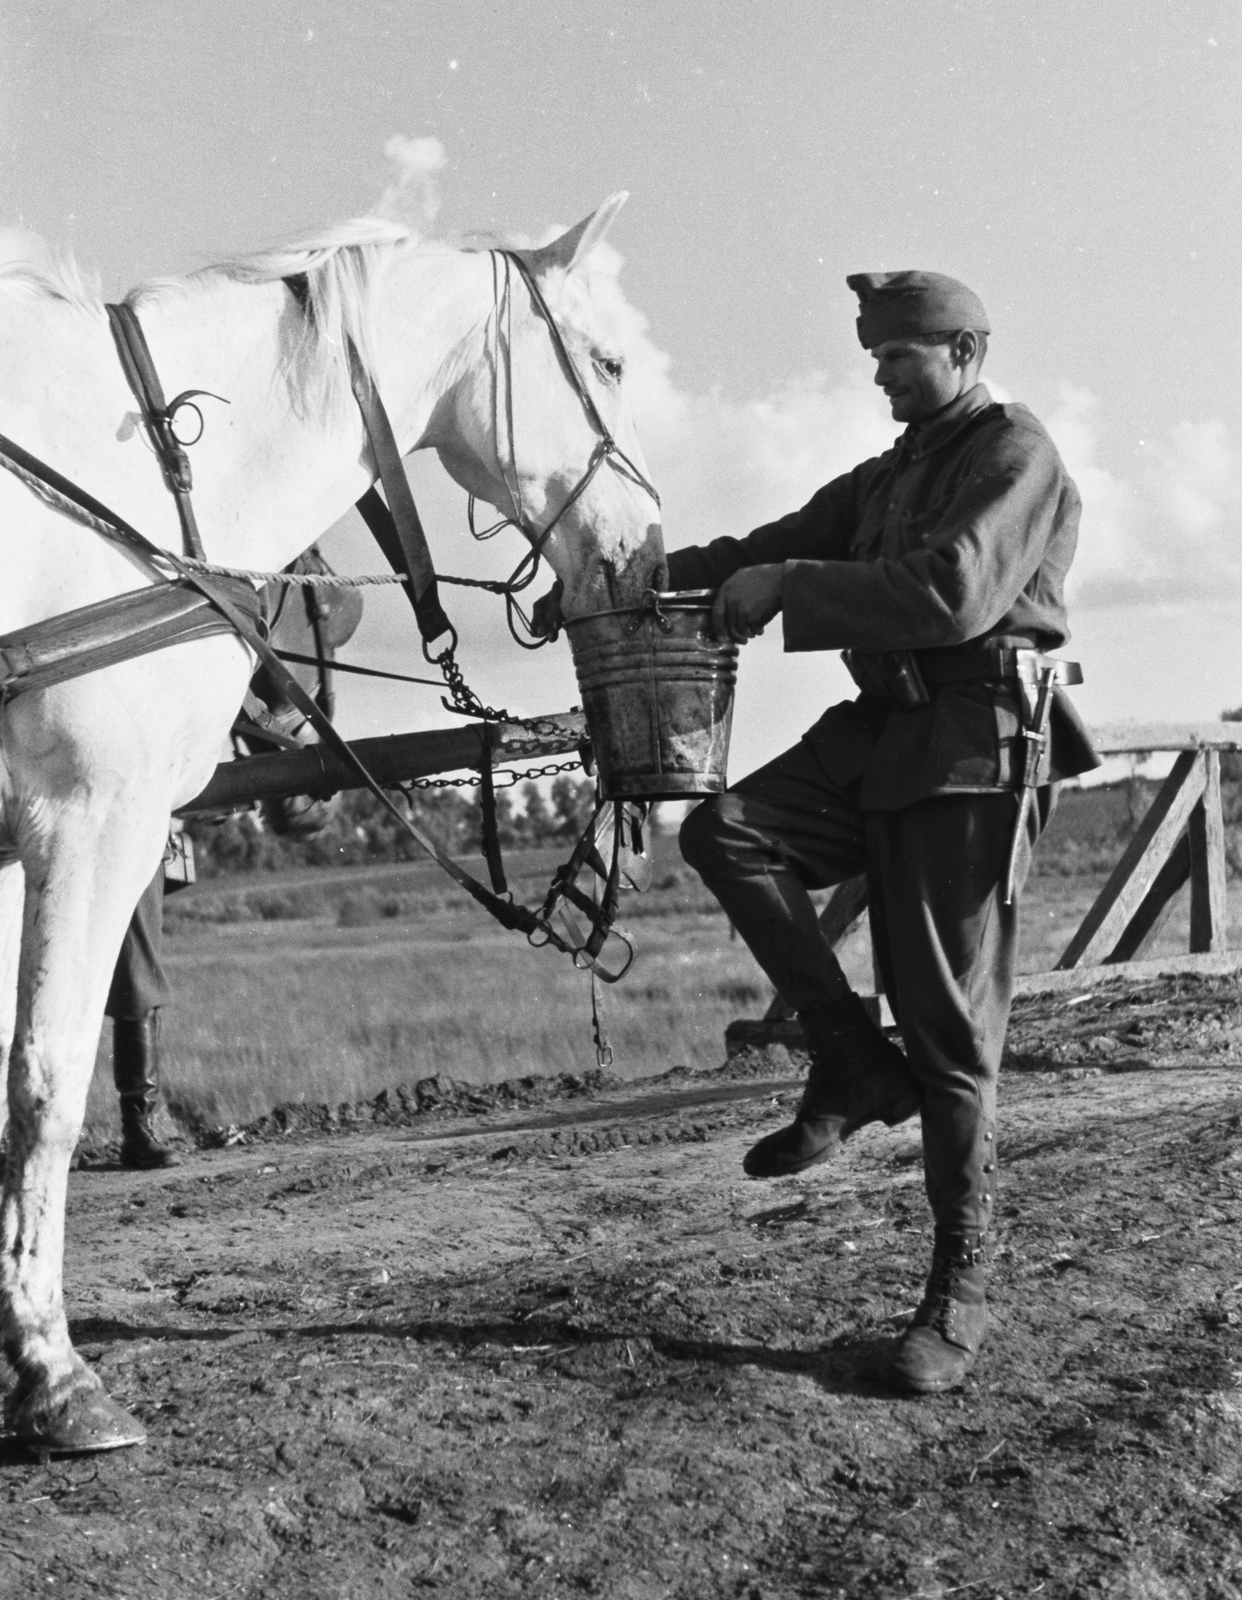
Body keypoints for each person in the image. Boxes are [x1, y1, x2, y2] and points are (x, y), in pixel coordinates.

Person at [664, 271, 1099, 1393]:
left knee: (950, 1032)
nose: (878, 373)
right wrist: (631, 577)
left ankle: (959, 1293)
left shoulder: (1017, 455)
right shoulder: (892, 471)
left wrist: (790, 585)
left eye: (896, 355)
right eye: (874, 354)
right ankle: (852, 1061)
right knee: (728, 834)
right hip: (881, 727)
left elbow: (954, 592)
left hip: (971, 743)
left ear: (961, 349)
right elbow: (765, 544)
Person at [103, 545, 363, 1169]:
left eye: (284, 801)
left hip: (135, 770)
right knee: (136, 957)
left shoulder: (271, 696)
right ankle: (140, 1118)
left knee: (137, 955)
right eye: (290, 799)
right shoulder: (306, 640)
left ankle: (140, 1118)